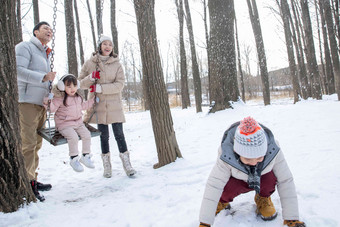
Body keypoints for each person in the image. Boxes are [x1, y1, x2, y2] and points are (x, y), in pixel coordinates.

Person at [199, 117, 306, 227]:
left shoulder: (274, 150)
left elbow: (285, 180)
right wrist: (205, 222)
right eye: (248, 159)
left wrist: (292, 218)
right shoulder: (226, 155)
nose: (254, 163)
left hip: (262, 180)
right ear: (237, 152)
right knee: (226, 187)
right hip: (237, 181)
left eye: (259, 158)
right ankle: (222, 201)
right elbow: (214, 185)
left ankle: (263, 199)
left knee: (270, 177)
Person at [79, 35, 136, 178]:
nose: (108, 46)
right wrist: (91, 78)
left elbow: (120, 85)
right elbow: (80, 83)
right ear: (100, 46)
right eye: (105, 43)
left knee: (119, 135)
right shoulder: (89, 63)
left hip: (114, 104)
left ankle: (127, 164)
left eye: (110, 44)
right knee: (103, 136)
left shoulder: (117, 64)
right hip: (97, 105)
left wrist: (101, 88)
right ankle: (107, 166)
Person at [16, 21, 56, 202]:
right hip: (27, 102)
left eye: (51, 29)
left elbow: (45, 80)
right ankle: (27, 182)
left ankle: (33, 177)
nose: (49, 31)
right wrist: (43, 77)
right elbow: (18, 71)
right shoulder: (25, 47)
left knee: (37, 144)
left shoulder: (44, 53)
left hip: (40, 104)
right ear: (35, 32)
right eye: (45, 28)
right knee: (28, 144)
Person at [43, 74, 96, 172]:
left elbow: (83, 106)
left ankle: (85, 156)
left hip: (78, 123)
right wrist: (48, 102)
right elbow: (52, 109)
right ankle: (74, 158)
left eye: (75, 86)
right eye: (69, 86)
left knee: (87, 135)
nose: (72, 89)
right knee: (73, 137)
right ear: (62, 86)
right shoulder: (59, 98)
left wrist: (92, 101)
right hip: (64, 124)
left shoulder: (78, 97)